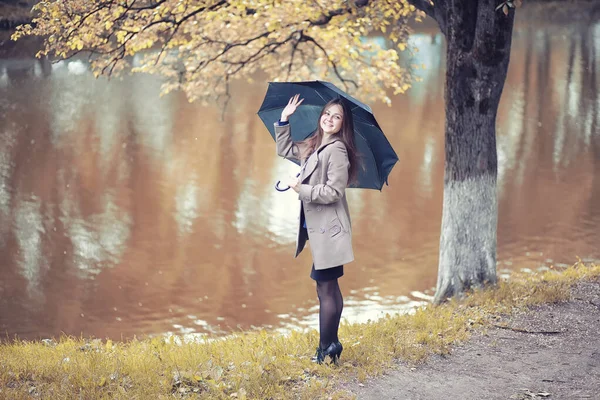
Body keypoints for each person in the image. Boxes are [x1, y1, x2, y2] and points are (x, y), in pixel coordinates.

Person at [274, 94, 360, 364]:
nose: (330, 119)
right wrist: (284, 119)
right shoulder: (316, 144)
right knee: (329, 288)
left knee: (326, 290)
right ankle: (331, 345)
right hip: (321, 230)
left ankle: (326, 351)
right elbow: (286, 149)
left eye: (337, 117)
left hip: (330, 232)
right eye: (327, 114)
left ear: (343, 123)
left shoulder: (337, 149)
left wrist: (302, 188)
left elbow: (334, 191)